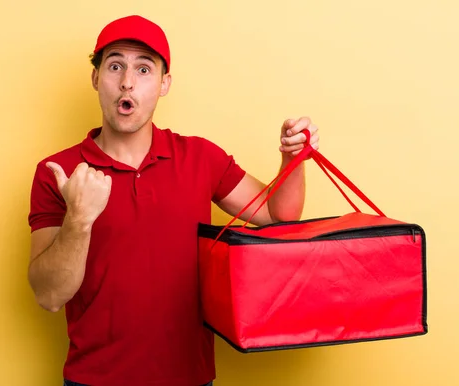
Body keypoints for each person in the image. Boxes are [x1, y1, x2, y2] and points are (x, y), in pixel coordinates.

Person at [27, 14, 320, 386]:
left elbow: (279, 216)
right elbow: (49, 295)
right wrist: (79, 220)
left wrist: (293, 157)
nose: (127, 82)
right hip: (94, 380)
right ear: (96, 78)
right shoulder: (60, 171)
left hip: (191, 379)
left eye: (144, 69)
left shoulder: (201, 158)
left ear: (165, 83)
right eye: (115, 65)